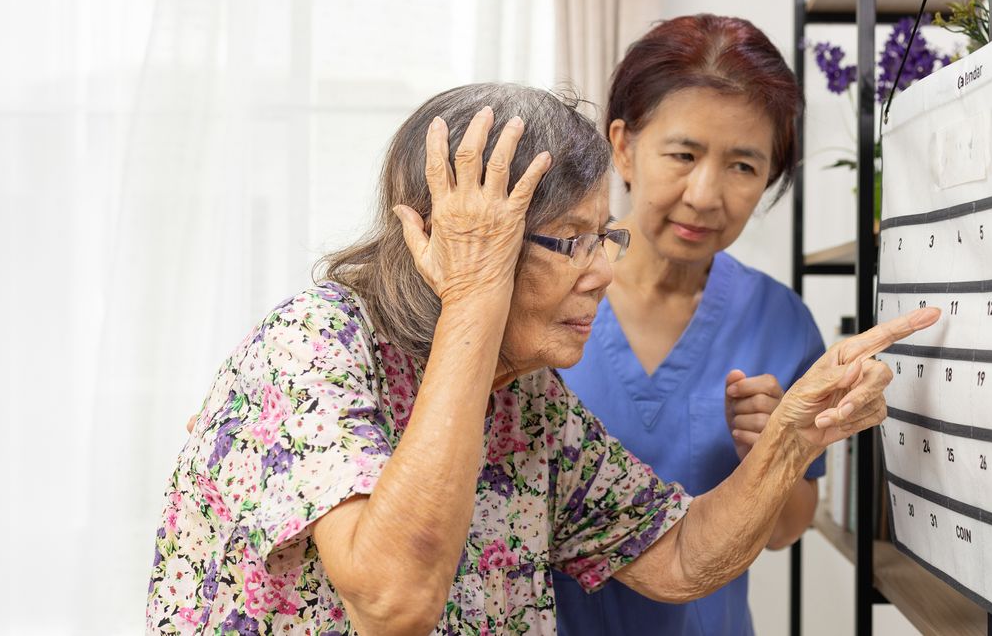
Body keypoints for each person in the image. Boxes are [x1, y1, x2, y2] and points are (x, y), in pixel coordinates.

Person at [146, 82, 938, 635]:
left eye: (606, 236)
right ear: (456, 241)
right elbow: (393, 602)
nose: (601, 269)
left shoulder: (528, 401)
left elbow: (677, 557)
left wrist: (791, 437)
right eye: (572, 241)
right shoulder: (315, 343)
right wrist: (475, 296)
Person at [554, 14, 825, 636]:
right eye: (683, 154)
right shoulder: (541, 299)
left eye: (743, 166)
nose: (706, 195)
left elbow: (789, 529)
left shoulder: (779, 323)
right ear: (622, 146)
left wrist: (772, 458)